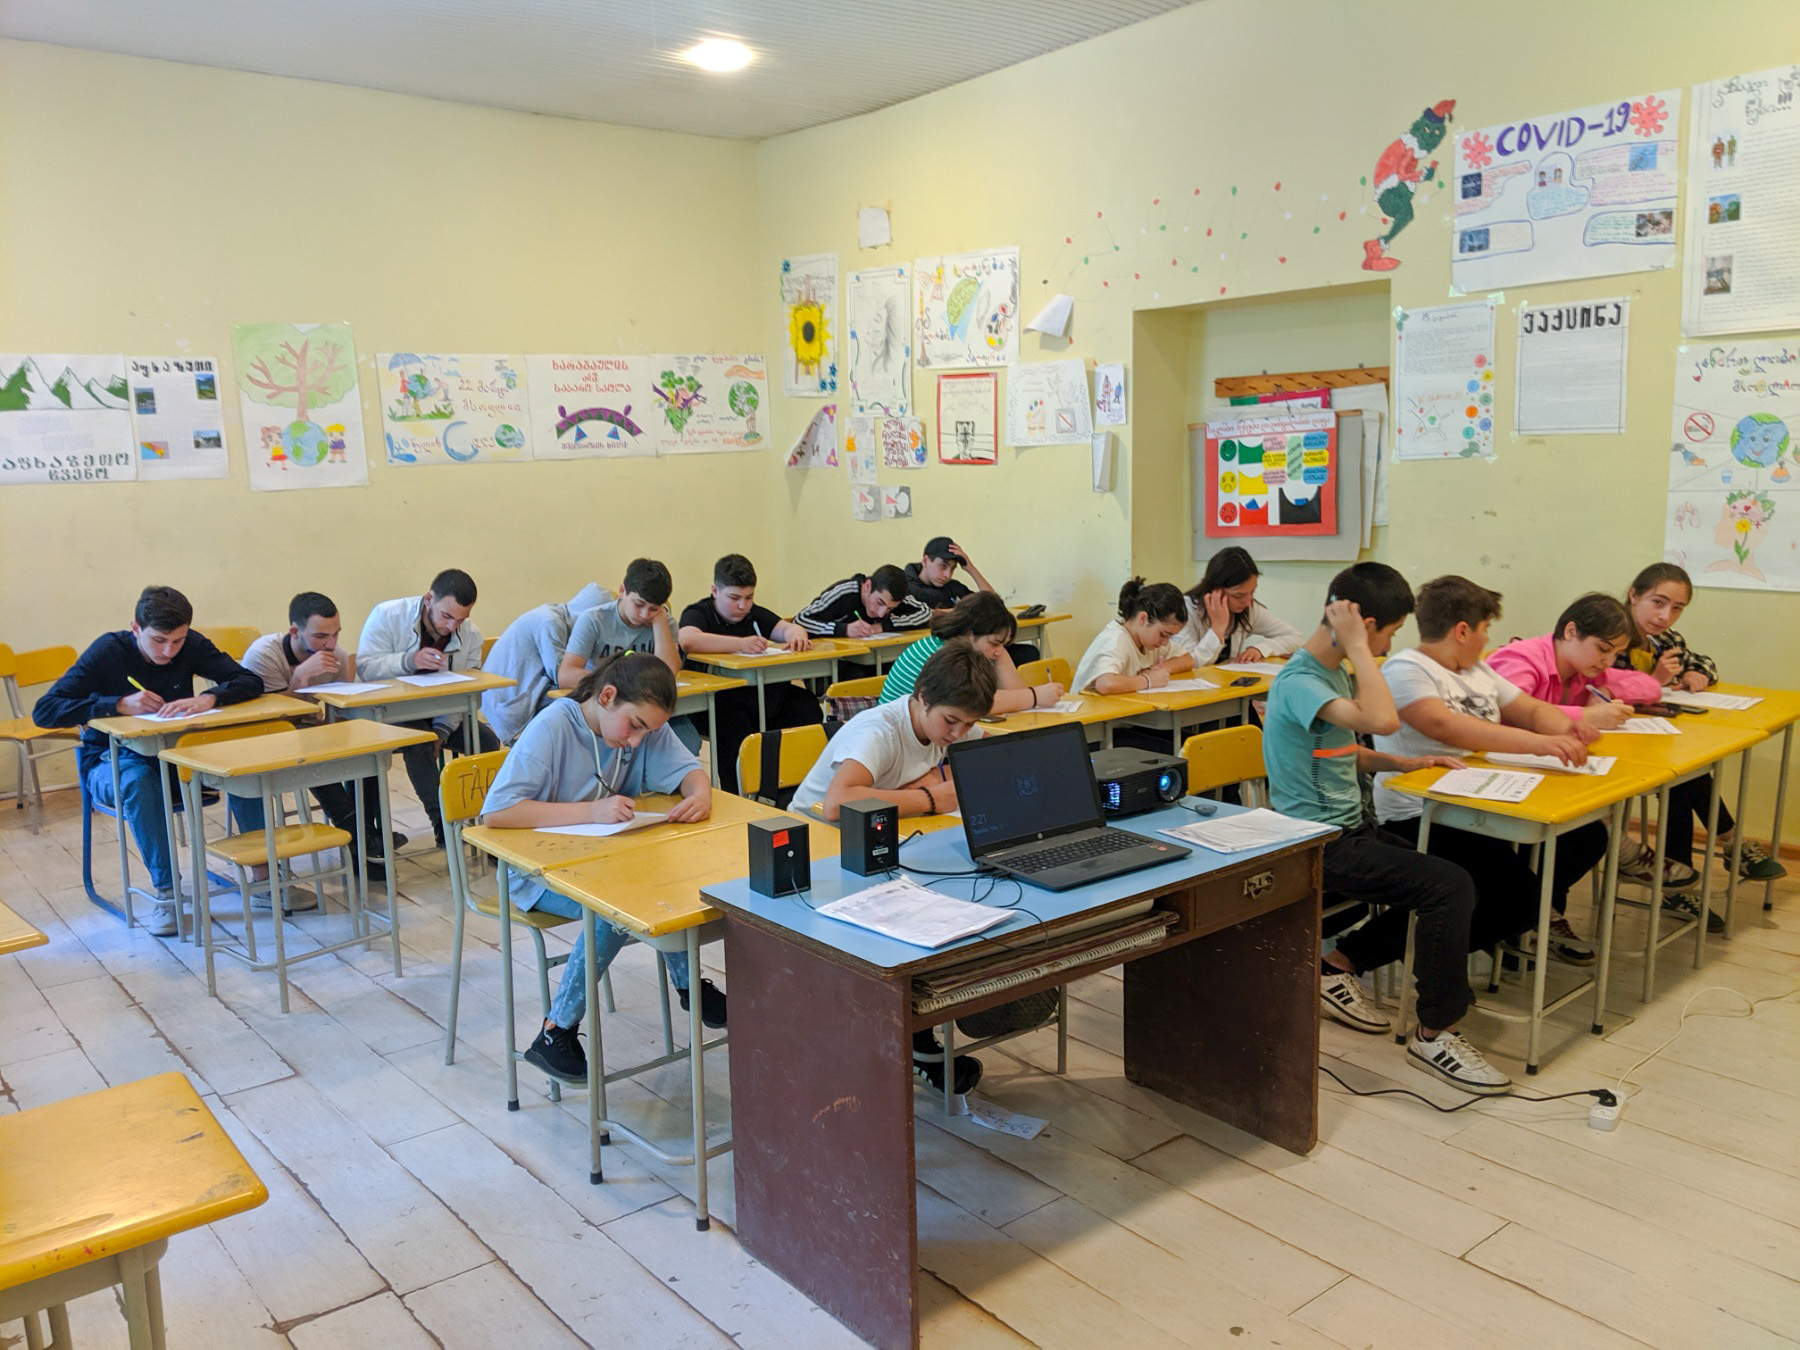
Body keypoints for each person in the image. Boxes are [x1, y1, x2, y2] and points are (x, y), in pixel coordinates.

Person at [1263, 562, 1510, 1095]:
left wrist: (1404, 764)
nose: (1387, 648)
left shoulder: (1330, 675)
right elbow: (1383, 721)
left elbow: (1338, 750)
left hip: (1350, 829)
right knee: (1448, 886)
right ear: (1364, 624)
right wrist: (1357, 646)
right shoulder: (1302, 681)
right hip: (1315, 843)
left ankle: (1335, 969)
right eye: (1390, 634)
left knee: (1461, 879)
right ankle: (1435, 1034)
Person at [481, 653, 720, 1089]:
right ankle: (555, 1031)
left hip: (606, 864)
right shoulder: (554, 726)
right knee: (614, 909)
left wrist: (700, 794)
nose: (637, 741)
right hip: (536, 873)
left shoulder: (642, 723)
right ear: (606, 697)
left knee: (665, 882)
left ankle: (692, 989)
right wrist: (590, 811)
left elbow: (689, 770)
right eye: (634, 726)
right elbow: (498, 813)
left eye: (647, 731)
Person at [790, 641, 997, 1097]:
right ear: (921, 697)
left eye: (968, 724)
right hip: (819, 852)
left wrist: (933, 782)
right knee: (915, 922)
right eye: (951, 721)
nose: (959, 733)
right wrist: (927, 796)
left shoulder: (947, 724)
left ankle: (917, 1032)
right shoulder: (879, 731)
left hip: (882, 842)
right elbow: (837, 804)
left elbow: (989, 757)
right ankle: (913, 1043)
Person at [1371, 576, 1607, 966]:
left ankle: (1495, 930)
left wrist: (1567, 729)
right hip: (1421, 811)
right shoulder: (1406, 668)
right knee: (1516, 897)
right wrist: (1539, 744)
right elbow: (1444, 725)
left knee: (1585, 837)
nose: (1487, 639)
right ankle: (1363, 957)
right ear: (1462, 631)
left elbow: (1530, 708)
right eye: (1485, 629)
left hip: (1478, 799)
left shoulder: (1476, 670)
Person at [35, 585, 266, 937]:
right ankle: (167, 893)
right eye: (159, 640)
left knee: (240, 762)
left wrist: (209, 697)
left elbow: (249, 680)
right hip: (110, 761)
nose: (169, 651)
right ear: (136, 628)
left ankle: (265, 878)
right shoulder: (108, 650)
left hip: (175, 757)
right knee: (140, 782)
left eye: (177, 641)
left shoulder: (191, 644)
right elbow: (46, 711)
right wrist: (117, 704)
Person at [1486, 593, 1720, 928]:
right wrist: (1586, 715)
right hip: (1499, 777)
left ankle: (1542, 912)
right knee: (1582, 830)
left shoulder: (1584, 669)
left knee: (1589, 833)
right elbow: (1508, 716)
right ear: (1570, 631)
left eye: (1616, 653)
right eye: (1603, 649)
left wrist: (1611, 691)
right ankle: (1536, 912)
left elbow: (1648, 688)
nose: (1608, 661)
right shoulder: (1522, 659)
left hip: (1544, 774)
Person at [1618, 562, 1785, 885]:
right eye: (1658, 602)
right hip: (1617, 742)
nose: (1665, 616)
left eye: (1677, 608)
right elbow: (1606, 691)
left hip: (1651, 738)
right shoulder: (1614, 637)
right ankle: (1731, 841)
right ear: (1634, 595)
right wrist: (1656, 680)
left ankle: (1680, 879)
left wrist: (1698, 673)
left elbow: (1702, 661)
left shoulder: (1664, 638)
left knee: (1685, 774)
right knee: (1686, 775)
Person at [242, 591, 404, 884]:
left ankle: (364, 838)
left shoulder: (337, 657)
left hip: (314, 731)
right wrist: (299, 679)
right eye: (320, 636)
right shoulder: (264, 655)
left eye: (336, 634)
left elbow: (338, 712)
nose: (330, 644)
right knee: (315, 757)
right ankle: (361, 839)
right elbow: (269, 722)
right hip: (271, 738)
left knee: (369, 753)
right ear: (295, 632)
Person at [356, 568, 499, 847]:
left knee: (488, 742)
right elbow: (366, 668)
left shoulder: (471, 635)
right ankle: (444, 825)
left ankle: (489, 820)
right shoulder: (387, 615)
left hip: (442, 715)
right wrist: (409, 661)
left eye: (461, 619)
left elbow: (467, 691)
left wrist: (442, 730)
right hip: (392, 713)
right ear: (428, 599)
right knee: (419, 743)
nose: (452, 627)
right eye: (446, 616)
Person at [676, 554, 822, 794]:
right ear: (715, 591)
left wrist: (797, 636)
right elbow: (688, 639)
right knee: (732, 720)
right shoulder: (699, 612)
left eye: (749, 597)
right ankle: (738, 792)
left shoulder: (754, 614)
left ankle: (793, 786)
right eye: (734, 598)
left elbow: (788, 627)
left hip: (760, 696)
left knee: (805, 705)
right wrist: (740, 644)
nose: (742, 606)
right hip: (718, 702)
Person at [879, 592, 1064, 714]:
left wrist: (999, 649)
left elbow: (1015, 693)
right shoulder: (943, 653)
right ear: (969, 634)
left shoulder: (962, 647)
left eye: (1003, 645)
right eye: (994, 643)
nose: (998, 651)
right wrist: (1035, 696)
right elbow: (973, 703)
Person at [481, 582, 611, 745]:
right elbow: (562, 677)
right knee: (587, 707)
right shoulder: (550, 622)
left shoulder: (560, 618)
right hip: (506, 705)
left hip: (516, 696)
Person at [556, 560, 679, 691]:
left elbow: (669, 672)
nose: (645, 614)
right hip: (599, 692)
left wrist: (660, 623)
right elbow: (566, 676)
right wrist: (621, 683)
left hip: (642, 697)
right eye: (639, 604)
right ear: (622, 591)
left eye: (654, 609)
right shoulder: (593, 620)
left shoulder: (665, 622)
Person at [1174, 546, 1303, 667]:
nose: (1248, 602)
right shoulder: (1185, 610)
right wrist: (1217, 628)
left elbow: (1296, 637)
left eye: (1252, 592)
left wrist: (1260, 649)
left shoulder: (1249, 608)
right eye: (1238, 595)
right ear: (1214, 590)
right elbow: (1189, 664)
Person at [1070, 578, 1195, 695]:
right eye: (1163, 634)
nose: (1165, 642)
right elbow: (1105, 683)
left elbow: (1188, 659)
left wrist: (1157, 669)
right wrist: (1149, 680)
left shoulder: (1150, 640)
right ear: (1143, 619)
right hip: (1088, 710)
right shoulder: (1116, 640)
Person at [793, 564, 931, 638]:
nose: (881, 614)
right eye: (880, 603)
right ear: (867, 586)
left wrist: (884, 626)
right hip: (832, 662)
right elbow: (800, 620)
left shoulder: (894, 597)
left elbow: (926, 612)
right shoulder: (844, 593)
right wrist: (844, 629)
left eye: (890, 609)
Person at [904, 536, 996, 611]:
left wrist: (971, 569)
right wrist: (958, 612)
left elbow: (993, 605)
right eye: (943, 566)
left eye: (952, 569)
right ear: (925, 561)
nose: (948, 575)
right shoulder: (904, 588)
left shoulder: (954, 587)